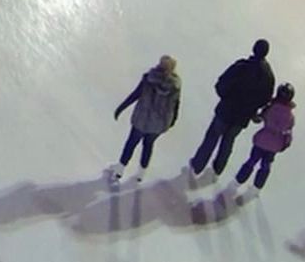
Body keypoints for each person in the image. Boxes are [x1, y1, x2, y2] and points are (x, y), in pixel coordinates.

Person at [189, 40, 276, 179]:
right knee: (228, 141)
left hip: (226, 111)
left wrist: (225, 97)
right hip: (242, 117)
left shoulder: (241, 67)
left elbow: (222, 83)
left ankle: (198, 164)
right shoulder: (268, 76)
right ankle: (218, 168)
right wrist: (252, 108)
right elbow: (266, 98)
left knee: (211, 137)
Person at [110, 56, 182, 185]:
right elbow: (175, 105)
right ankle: (141, 174)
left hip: (141, 120)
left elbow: (135, 95)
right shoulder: (175, 86)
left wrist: (121, 108)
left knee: (131, 143)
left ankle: (119, 170)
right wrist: (171, 122)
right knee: (148, 146)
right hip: (158, 125)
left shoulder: (149, 79)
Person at [234, 83, 296, 196]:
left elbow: (259, 118)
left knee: (252, 160)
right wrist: (286, 143)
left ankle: (240, 178)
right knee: (266, 165)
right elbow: (288, 132)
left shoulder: (270, 108)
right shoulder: (290, 116)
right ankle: (258, 185)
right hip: (275, 146)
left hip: (261, 141)